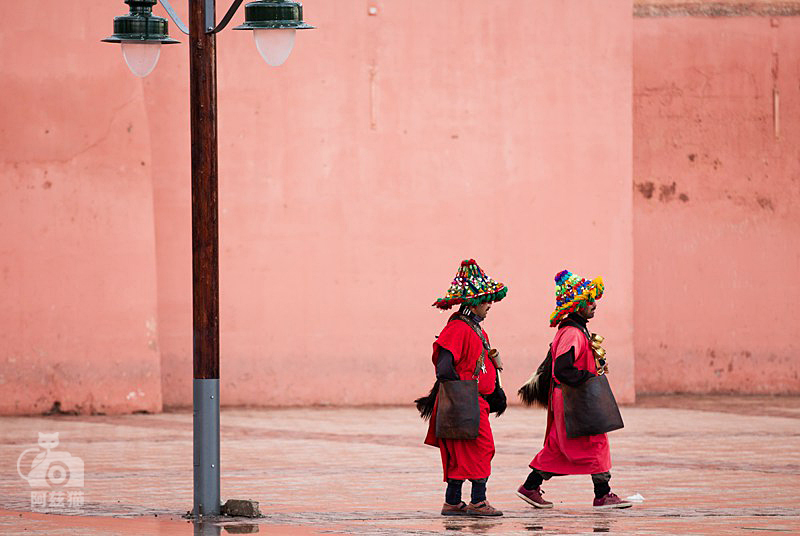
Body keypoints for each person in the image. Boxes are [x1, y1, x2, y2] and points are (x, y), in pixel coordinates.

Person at [516, 269, 632, 509]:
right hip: (573, 399)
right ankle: (602, 494)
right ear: (578, 305)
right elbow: (563, 369)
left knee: (558, 446)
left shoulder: (575, 331)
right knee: (597, 442)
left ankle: (530, 486)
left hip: (569, 397)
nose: (594, 305)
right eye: (589, 301)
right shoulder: (572, 333)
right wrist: (589, 376)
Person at [418, 259, 508, 517]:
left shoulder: (474, 329)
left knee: (463, 451)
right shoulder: (457, 328)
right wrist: (463, 397)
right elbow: (444, 368)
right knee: (482, 447)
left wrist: (494, 393)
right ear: (473, 303)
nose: (489, 306)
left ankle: (453, 502)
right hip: (465, 402)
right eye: (486, 301)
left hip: (472, 401)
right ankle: (478, 501)